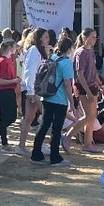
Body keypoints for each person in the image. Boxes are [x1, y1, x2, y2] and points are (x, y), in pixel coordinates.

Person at [30, 37, 74, 167]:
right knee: (57, 129)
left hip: (47, 97)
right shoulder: (66, 62)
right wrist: (72, 101)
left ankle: (36, 153)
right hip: (59, 99)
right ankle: (55, 157)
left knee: (44, 126)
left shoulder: (52, 58)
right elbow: (67, 84)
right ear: (69, 49)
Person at [17, 28, 49, 156]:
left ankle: (23, 145)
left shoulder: (40, 51)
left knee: (29, 118)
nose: (48, 39)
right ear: (39, 38)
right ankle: (37, 144)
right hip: (33, 90)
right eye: (46, 37)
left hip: (38, 89)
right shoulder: (33, 51)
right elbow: (30, 71)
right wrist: (30, 91)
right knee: (45, 116)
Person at [70, 28, 102, 153]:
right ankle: (67, 136)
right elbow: (80, 74)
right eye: (92, 37)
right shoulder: (81, 52)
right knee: (88, 115)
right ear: (85, 37)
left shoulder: (91, 52)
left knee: (92, 116)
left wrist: (100, 85)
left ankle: (88, 144)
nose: (94, 40)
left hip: (91, 86)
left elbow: (93, 72)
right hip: (83, 87)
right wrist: (88, 91)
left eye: (95, 37)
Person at [0, 39, 20, 149]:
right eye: (14, 47)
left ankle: (4, 142)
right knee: (11, 116)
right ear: (10, 48)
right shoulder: (2, 61)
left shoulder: (7, 60)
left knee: (4, 116)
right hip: (4, 91)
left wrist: (14, 79)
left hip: (7, 90)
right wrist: (13, 81)